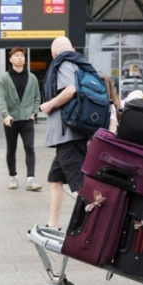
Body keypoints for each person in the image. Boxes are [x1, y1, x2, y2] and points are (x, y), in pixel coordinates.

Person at [39, 37, 92, 228]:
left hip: (67, 136)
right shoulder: (80, 64)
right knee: (55, 179)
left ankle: (99, 227)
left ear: (53, 54)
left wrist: (48, 105)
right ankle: (52, 224)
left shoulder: (64, 64)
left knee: (79, 186)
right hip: (72, 134)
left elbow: (70, 90)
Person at [0, 47, 42, 192]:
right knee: (11, 149)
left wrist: (34, 112)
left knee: (30, 148)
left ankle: (31, 180)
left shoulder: (32, 77)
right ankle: (13, 178)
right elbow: (1, 98)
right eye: (16, 56)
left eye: (22, 56)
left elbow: (37, 97)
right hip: (11, 120)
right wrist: (5, 114)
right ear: (10, 59)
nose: (20, 58)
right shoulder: (4, 78)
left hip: (27, 119)